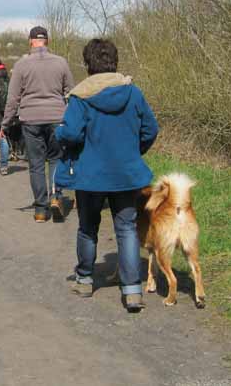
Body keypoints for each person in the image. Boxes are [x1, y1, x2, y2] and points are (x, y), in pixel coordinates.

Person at [55, 38, 159, 312]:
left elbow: (72, 133)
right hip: (126, 174)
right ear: (115, 61)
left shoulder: (81, 96)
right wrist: (134, 152)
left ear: (88, 64)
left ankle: (85, 280)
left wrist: (59, 132)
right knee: (126, 229)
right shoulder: (133, 93)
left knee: (88, 228)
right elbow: (151, 129)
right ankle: (133, 290)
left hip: (90, 175)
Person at [1, 26, 74, 223]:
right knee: (56, 159)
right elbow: (71, 93)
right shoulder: (61, 63)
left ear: (30, 41)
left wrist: (5, 123)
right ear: (47, 41)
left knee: (36, 165)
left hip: (30, 119)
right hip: (57, 118)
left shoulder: (22, 65)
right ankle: (56, 197)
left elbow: (13, 98)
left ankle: (41, 209)